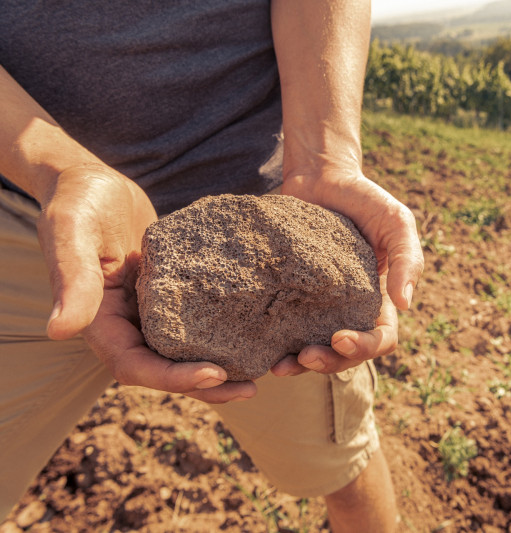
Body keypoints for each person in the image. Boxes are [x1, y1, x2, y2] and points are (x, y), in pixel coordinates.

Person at [0, 1, 423, 531]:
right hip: (33, 215)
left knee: (343, 473)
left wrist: (324, 157)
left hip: (276, 202)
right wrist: (55, 169)